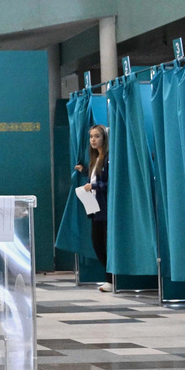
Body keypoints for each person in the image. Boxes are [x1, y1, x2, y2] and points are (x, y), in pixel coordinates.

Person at [75, 125, 111, 292]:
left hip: (105, 207)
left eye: (96, 136)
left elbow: (110, 182)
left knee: (105, 243)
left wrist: (95, 185)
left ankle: (110, 279)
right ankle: (108, 276)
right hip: (95, 208)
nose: (93, 140)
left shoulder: (108, 158)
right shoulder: (94, 159)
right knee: (97, 243)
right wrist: (84, 172)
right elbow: (94, 177)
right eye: (91, 137)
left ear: (104, 137)